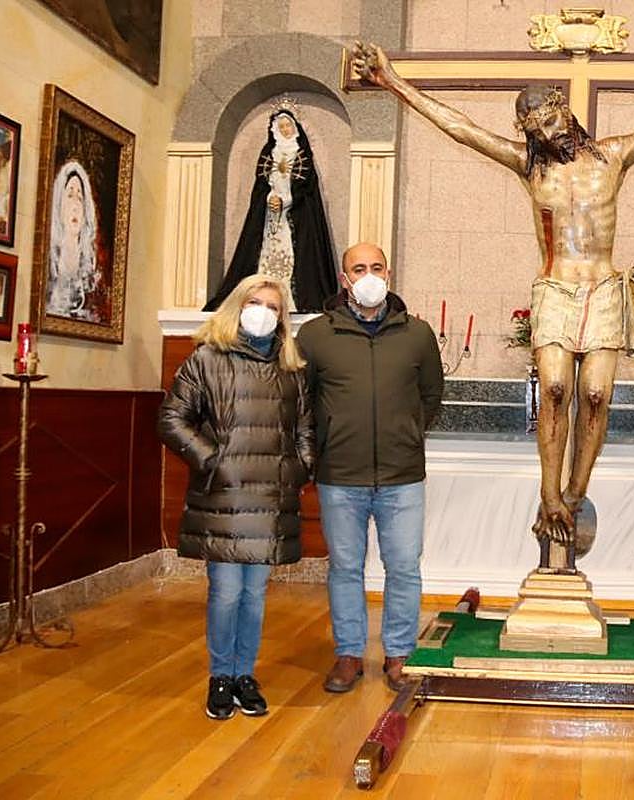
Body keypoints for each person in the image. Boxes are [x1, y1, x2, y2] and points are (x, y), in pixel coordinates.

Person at [350, 41, 634, 562]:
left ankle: (572, 497)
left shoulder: (613, 157)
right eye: (530, 128)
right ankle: (548, 493)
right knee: (554, 388)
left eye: (546, 119)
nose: (541, 132)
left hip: (602, 290)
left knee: (595, 396)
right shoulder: (528, 167)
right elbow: (458, 126)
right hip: (554, 288)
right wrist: (392, 82)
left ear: (562, 108)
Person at [158, 274, 315, 720]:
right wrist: (212, 459)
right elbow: (172, 420)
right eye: (255, 301)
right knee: (225, 593)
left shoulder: (291, 369)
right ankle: (220, 676)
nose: (263, 311)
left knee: (255, 596)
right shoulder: (206, 360)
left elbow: (305, 429)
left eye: (273, 305)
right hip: (223, 496)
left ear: (282, 319)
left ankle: (245, 674)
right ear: (237, 306)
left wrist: (301, 467)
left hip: (268, 498)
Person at [297, 242, 444, 694]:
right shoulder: (316, 336)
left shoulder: (417, 334)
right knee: (344, 567)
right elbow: (303, 402)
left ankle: (399, 653)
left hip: (402, 477)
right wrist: (320, 449)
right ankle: (349, 653)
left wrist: (405, 434)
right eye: (358, 268)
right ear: (344, 279)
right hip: (340, 475)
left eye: (375, 267)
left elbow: (431, 397)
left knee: (404, 568)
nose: (368, 275)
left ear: (389, 273)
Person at [205, 108, 340, 313]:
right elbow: (261, 184)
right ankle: (261, 298)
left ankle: (292, 299)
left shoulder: (301, 153)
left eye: (288, 126)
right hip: (270, 215)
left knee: (295, 253)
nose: (285, 130)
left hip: (296, 215)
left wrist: (287, 200)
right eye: (282, 126)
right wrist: (270, 198)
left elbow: (306, 186)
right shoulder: (270, 153)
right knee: (264, 252)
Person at [45, 161, 101, 321]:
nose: (75, 206)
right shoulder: (49, 261)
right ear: (59, 206)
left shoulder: (90, 264)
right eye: (70, 196)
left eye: (80, 198)